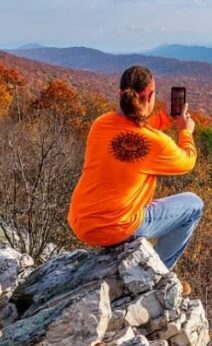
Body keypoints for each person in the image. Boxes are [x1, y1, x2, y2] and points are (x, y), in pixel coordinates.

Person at [68, 65, 203, 275]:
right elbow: (188, 161)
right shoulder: (157, 143)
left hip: (81, 222)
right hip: (118, 227)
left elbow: (134, 131)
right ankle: (157, 274)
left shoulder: (100, 124)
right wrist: (186, 132)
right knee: (194, 205)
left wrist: (164, 119)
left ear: (120, 95)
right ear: (149, 96)